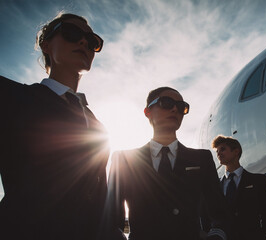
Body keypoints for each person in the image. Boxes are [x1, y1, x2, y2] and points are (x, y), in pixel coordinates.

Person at [0, 13, 109, 240]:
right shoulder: (10, 96)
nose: (83, 42)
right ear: (46, 45)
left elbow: (101, 196)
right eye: (71, 33)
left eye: (92, 41)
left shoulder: (99, 127)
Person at [106, 87, 230, 240]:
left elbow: (219, 213)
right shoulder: (123, 160)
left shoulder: (202, 159)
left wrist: (216, 236)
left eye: (181, 107)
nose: (174, 109)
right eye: (167, 102)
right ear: (147, 112)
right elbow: (111, 218)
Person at [211, 135, 266, 240]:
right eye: (217, 151)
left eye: (222, 149)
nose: (218, 153)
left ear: (236, 151)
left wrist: (261, 235)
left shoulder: (258, 180)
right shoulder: (215, 186)